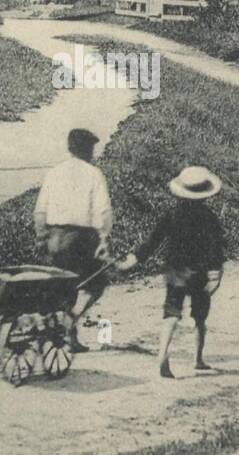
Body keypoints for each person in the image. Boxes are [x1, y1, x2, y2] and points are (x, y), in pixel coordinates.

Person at [119, 166, 226, 378]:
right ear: (205, 194)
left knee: (171, 313)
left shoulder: (172, 215)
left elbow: (152, 240)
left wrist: (134, 259)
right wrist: (216, 272)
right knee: (200, 317)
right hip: (199, 271)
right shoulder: (209, 217)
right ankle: (198, 360)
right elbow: (217, 247)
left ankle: (162, 355)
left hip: (175, 269)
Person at [33, 128, 113, 352]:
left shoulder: (54, 172)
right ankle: (71, 323)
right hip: (80, 239)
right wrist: (104, 238)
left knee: (61, 285)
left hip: (53, 237)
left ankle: (66, 334)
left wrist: (41, 237)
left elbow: (40, 211)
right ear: (87, 149)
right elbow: (103, 212)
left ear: (70, 148)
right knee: (95, 284)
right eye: (92, 149)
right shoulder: (94, 174)